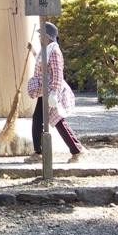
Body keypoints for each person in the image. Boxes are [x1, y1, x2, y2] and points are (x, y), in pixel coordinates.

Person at [26, 21, 85, 163]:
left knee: (57, 120)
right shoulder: (46, 49)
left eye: (41, 35)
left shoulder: (54, 50)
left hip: (51, 91)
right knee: (39, 119)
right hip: (44, 91)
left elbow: (58, 73)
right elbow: (42, 65)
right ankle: (39, 152)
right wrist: (33, 50)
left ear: (48, 36)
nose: (40, 37)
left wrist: (54, 93)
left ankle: (77, 150)